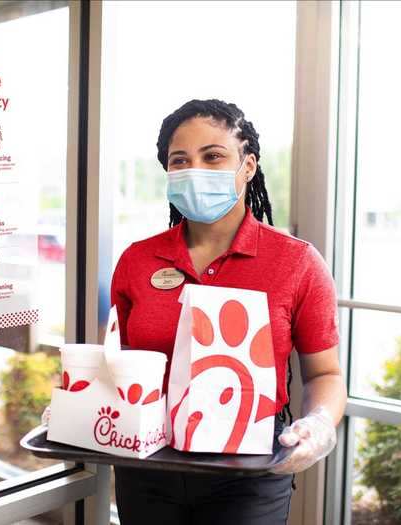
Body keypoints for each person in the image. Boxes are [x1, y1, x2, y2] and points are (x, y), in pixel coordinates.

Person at [109, 99, 347, 524]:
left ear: (249, 165)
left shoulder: (297, 263)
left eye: (213, 156)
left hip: (249, 474)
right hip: (148, 466)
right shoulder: (137, 261)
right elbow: (118, 364)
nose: (194, 169)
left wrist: (320, 423)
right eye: (179, 160)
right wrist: (84, 396)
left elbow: (324, 373)